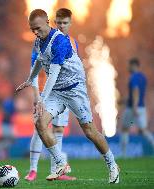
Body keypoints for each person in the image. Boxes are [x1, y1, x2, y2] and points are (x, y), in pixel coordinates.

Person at [16, 9, 119, 184]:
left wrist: (41, 98)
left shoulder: (60, 42)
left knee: (90, 132)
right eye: (32, 29)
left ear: (48, 22)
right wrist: (30, 78)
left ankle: (112, 164)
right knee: (40, 122)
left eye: (38, 28)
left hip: (74, 90)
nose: (35, 32)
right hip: (57, 92)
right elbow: (40, 60)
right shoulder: (38, 40)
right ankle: (60, 163)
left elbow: (53, 74)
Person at [25, 8, 77, 182]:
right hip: (44, 92)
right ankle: (33, 169)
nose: (62, 26)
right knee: (40, 127)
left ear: (70, 24)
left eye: (65, 23)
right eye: (59, 23)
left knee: (59, 129)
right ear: (53, 23)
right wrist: (37, 96)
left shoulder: (72, 43)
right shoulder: (40, 42)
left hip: (63, 92)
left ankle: (57, 169)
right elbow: (33, 70)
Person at [120, 58, 154, 157]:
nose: (128, 68)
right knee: (143, 130)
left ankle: (124, 154)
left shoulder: (133, 77)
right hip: (142, 107)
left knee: (125, 129)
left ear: (133, 65)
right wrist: (125, 100)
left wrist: (134, 105)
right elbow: (138, 93)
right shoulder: (143, 77)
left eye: (129, 65)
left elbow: (135, 91)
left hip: (133, 108)